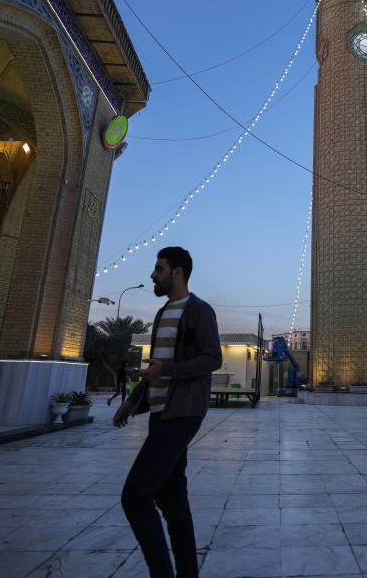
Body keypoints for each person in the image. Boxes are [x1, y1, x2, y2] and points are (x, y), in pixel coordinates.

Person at [112, 247, 222, 578]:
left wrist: (168, 370)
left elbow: (212, 359)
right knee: (173, 502)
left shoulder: (199, 311)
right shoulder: (162, 314)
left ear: (177, 273)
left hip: (183, 412)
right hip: (161, 411)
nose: (152, 274)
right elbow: (155, 369)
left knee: (135, 495)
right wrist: (133, 401)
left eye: (158, 269)